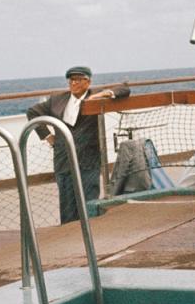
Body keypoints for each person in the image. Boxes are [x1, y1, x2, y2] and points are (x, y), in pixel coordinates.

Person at [27, 66, 131, 223]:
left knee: (89, 202)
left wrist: (104, 94)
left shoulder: (96, 95)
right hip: (64, 159)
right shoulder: (57, 99)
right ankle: (69, 238)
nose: (73, 83)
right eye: (71, 80)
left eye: (78, 80)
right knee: (67, 206)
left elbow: (124, 89)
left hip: (88, 159)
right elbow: (32, 112)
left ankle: (92, 234)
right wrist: (48, 137)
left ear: (87, 82)